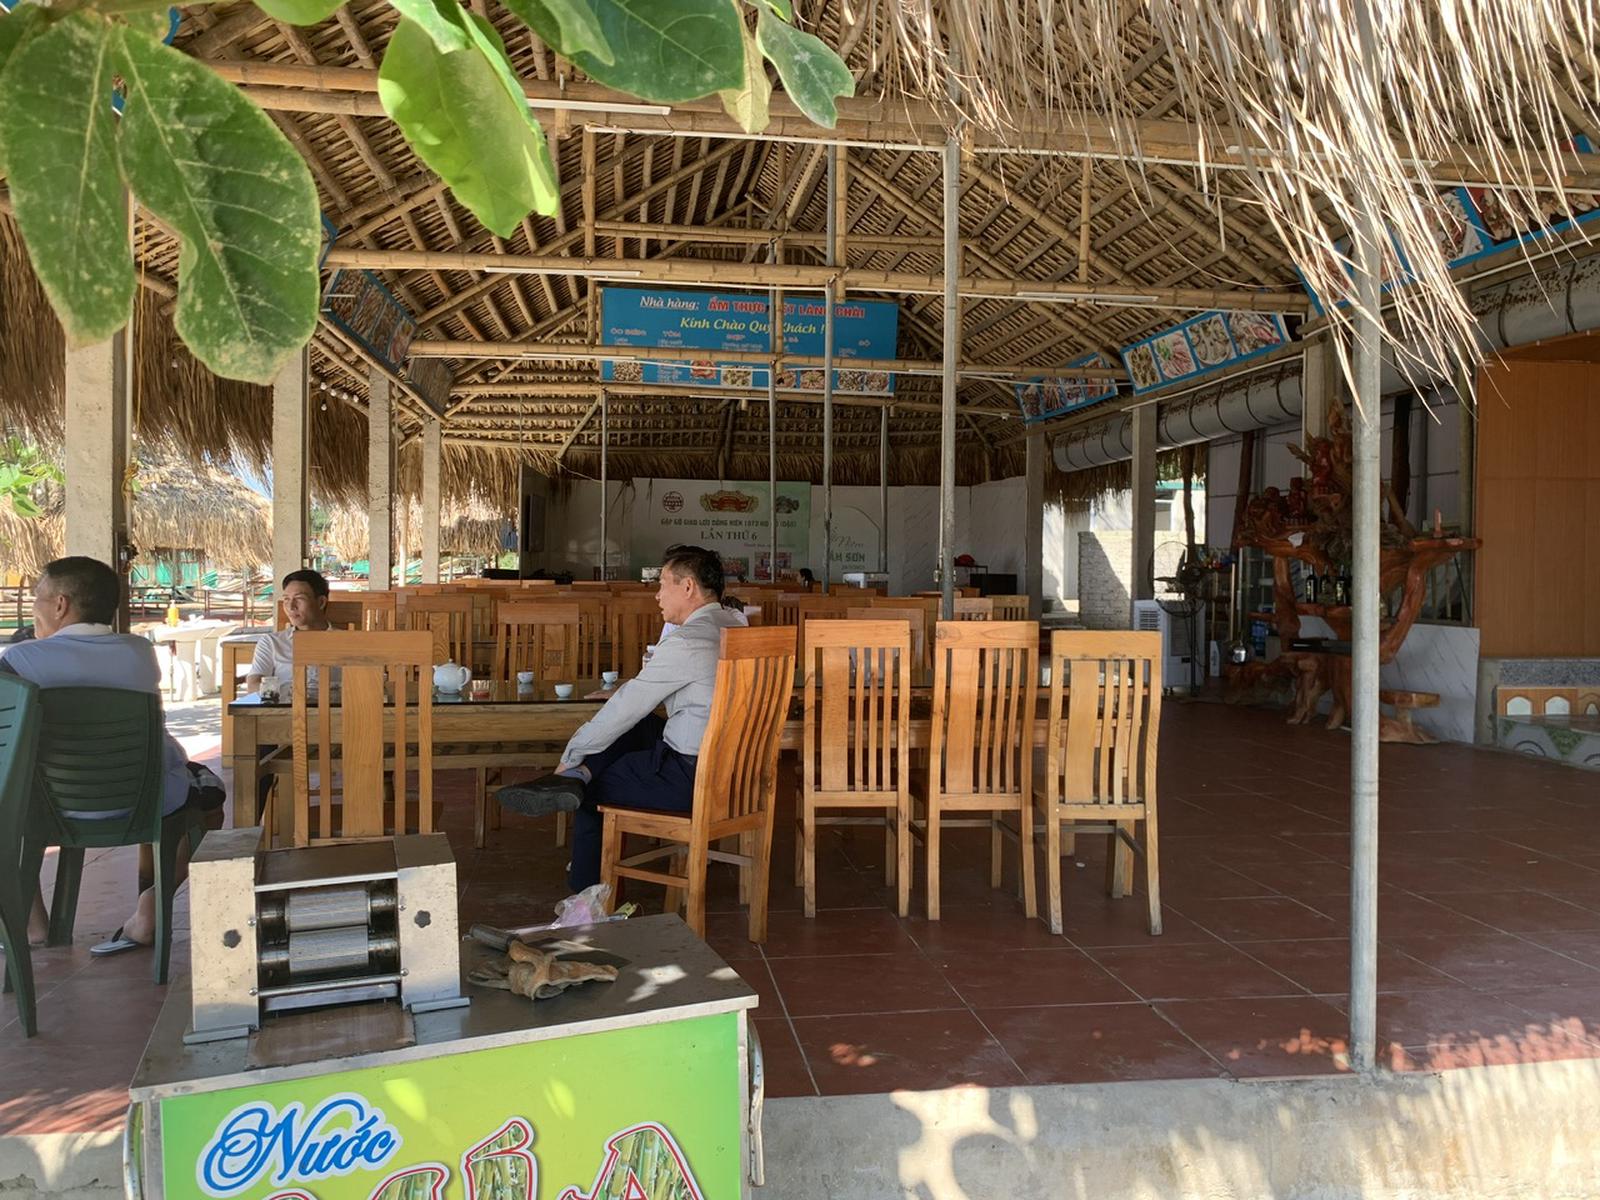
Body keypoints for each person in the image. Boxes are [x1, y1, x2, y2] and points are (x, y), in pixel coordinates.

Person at [0, 557, 224, 953]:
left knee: (9, 803)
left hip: (49, 809)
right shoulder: (140, 653)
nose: (33, 607)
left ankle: (32, 926)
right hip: (143, 805)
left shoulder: (18, 662)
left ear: (60, 604)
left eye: (37, 597)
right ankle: (151, 905)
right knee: (211, 799)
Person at [500, 545, 746, 892]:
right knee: (641, 727)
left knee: (590, 790)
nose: (658, 595)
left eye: (663, 584)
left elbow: (625, 709)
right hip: (736, 773)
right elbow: (646, 698)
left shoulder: (687, 641)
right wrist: (629, 692)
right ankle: (578, 774)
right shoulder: (734, 625)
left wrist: (571, 753)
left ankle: (587, 898)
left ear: (688, 587)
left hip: (692, 779)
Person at [245, 568, 333, 692]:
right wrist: (290, 694)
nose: (291, 607)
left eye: (299, 598)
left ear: (321, 602)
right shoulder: (272, 642)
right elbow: (254, 685)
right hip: (285, 704)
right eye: (286, 599)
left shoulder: (348, 642)